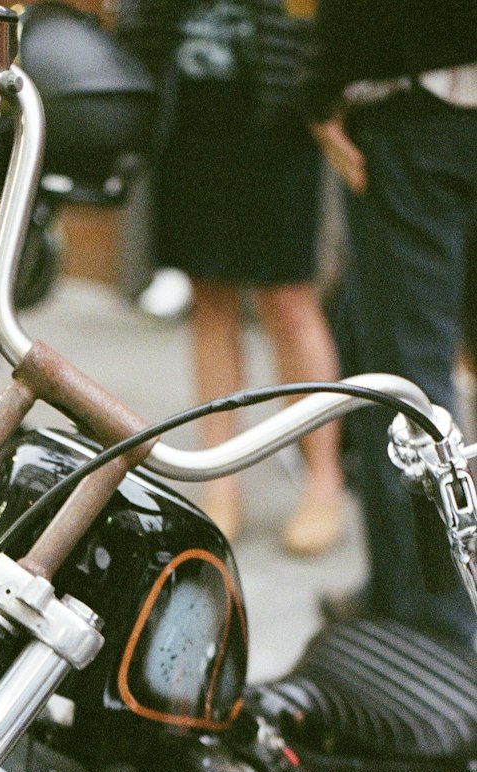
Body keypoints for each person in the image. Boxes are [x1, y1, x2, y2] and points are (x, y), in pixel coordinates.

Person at [116, 0, 346, 553]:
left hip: (279, 116)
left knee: (290, 302)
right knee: (209, 297)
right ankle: (222, 481)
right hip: (191, 119)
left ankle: (324, 481)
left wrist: (317, 93)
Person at [307, 0, 477, 647]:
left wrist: (321, 92)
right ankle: (397, 591)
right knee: (404, 367)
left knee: (409, 385)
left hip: (415, 101)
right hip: (424, 95)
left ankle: (432, 628)